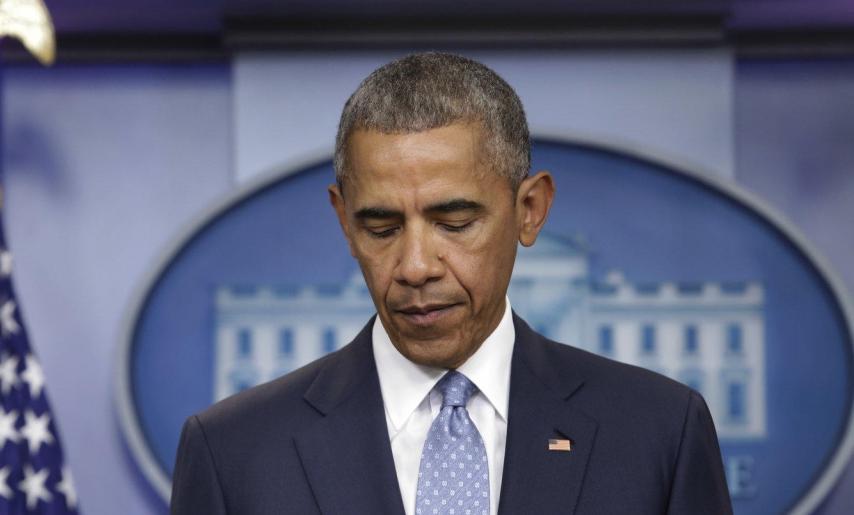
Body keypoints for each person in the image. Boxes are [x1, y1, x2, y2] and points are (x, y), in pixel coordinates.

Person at [170, 52, 733, 515]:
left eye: (455, 224)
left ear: (530, 210)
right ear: (344, 221)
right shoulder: (232, 453)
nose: (416, 266)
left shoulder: (659, 433)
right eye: (382, 227)